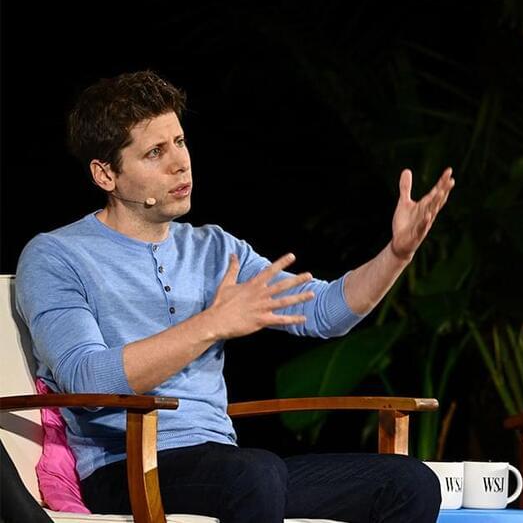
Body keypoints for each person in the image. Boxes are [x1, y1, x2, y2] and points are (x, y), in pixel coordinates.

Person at [14, 70, 455, 522]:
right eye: (155, 152)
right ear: (106, 174)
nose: (180, 163)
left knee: (409, 483)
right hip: (124, 469)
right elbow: (86, 380)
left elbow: (324, 313)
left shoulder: (214, 248)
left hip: (224, 464)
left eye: (180, 142)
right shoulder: (56, 255)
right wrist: (211, 324)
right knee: (254, 473)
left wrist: (396, 254)